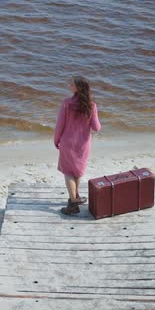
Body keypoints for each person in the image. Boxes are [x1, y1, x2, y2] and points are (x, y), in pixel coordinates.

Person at [54, 76, 101, 215]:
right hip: (83, 144)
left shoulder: (67, 103)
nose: (70, 86)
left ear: (78, 87)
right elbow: (96, 127)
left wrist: (56, 140)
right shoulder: (92, 105)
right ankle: (75, 198)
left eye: (72, 84)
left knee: (68, 172)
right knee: (77, 171)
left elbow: (59, 126)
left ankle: (73, 202)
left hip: (67, 143)